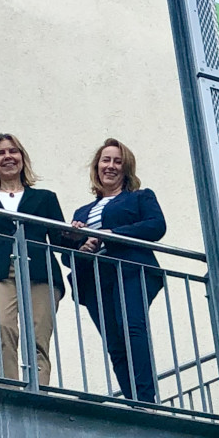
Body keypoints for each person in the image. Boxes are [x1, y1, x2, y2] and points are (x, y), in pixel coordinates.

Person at [0, 133, 66, 384]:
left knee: (38, 336)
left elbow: (61, 239)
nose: (7, 156)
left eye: (13, 151)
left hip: (40, 273)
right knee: (0, 327)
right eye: (0, 153)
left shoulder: (45, 198)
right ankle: (8, 390)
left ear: (22, 158)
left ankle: (39, 392)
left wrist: (78, 236)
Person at [69, 138, 166, 402]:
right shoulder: (83, 210)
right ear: (97, 166)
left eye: (117, 161)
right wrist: (81, 244)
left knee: (131, 327)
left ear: (126, 168)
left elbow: (156, 226)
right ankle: (134, 399)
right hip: (96, 279)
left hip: (131, 270)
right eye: (105, 160)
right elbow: (70, 257)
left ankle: (146, 400)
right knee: (114, 342)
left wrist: (111, 233)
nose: (110, 166)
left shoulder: (139, 197)